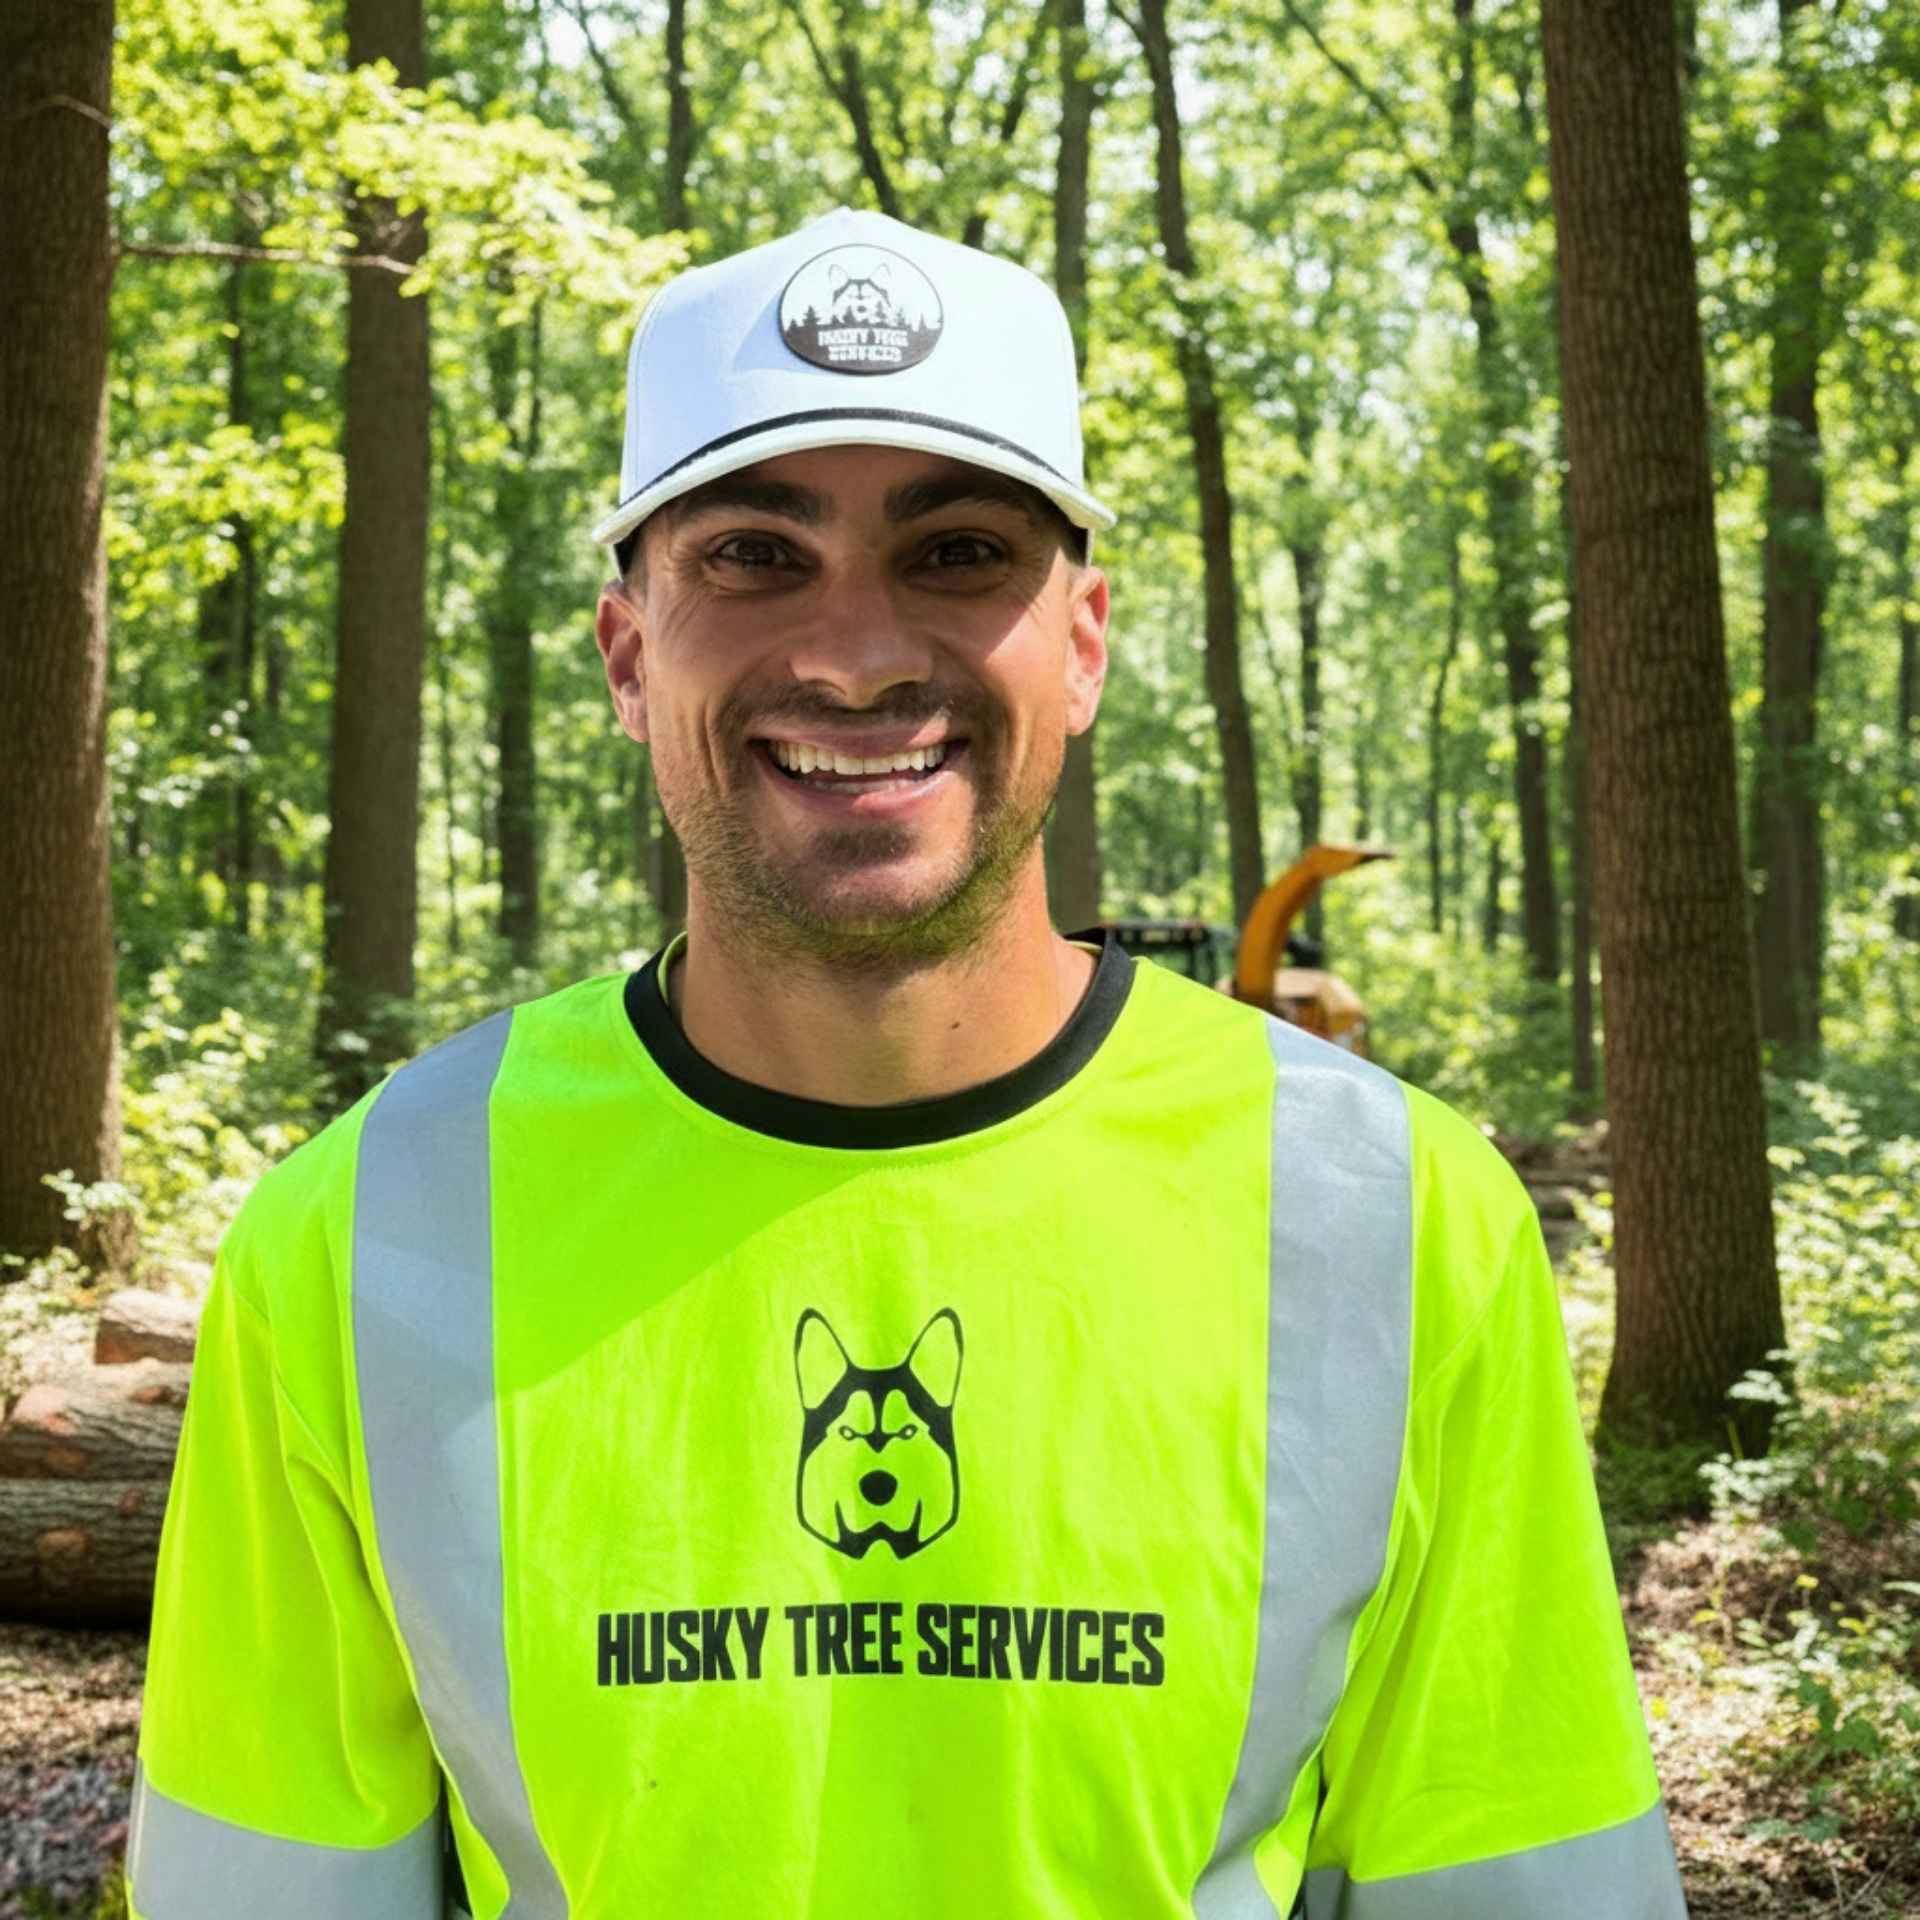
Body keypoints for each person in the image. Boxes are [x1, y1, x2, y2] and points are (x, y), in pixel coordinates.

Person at [128, 207, 1687, 1919]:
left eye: (954, 553)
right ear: (631, 652)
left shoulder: (1390, 1222)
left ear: (1082, 641)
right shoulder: (364, 1236)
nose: (859, 653)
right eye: (753, 556)